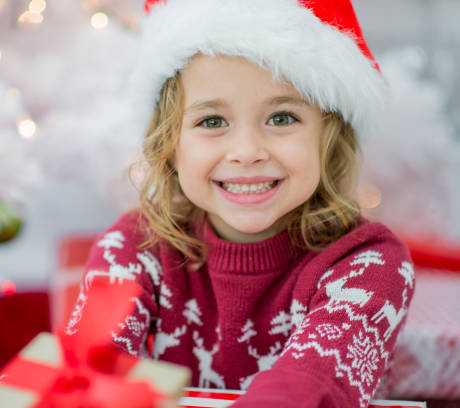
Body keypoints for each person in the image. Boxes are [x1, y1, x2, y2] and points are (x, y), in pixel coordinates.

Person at [66, 1, 415, 407]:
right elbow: (92, 360)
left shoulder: (371, 265)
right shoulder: (133, 247)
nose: (247, 151)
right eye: (212, 121)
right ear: (171, 147)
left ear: (328, 137)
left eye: (281, 118)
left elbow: (311, 386)